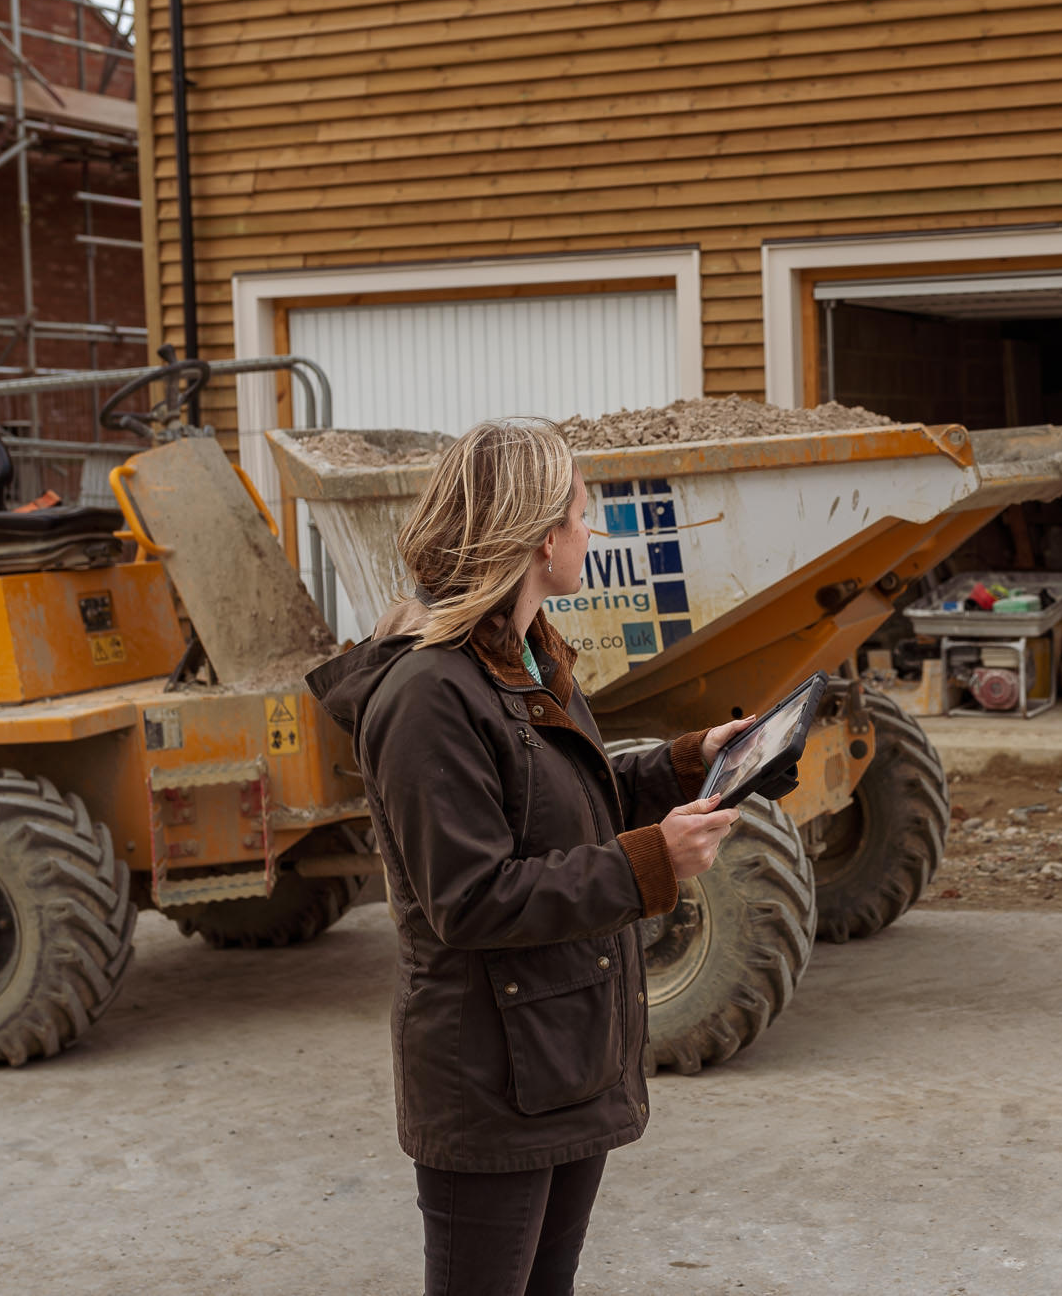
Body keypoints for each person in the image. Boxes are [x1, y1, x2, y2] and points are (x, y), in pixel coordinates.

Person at [307, 417, 793, 1296]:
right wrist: (654, 862)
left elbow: (562, 798)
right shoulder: (428, 695)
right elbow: (471, 896)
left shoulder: (525, 657)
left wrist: (692, 760)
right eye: (581, 512)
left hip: (558, 1054)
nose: (591, 530)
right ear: (540, 538)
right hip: (488, 1076)